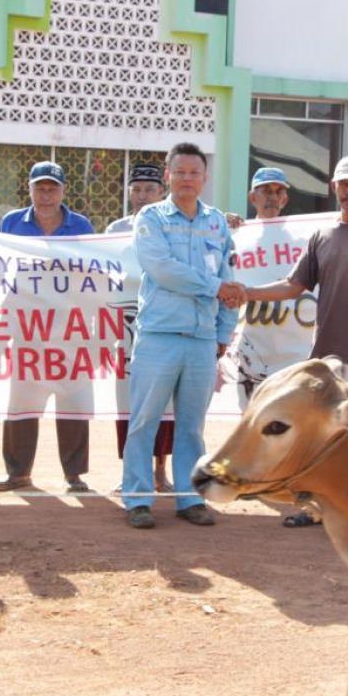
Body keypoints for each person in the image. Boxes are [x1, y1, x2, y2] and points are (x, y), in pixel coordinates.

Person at [241, 155, 348, 526]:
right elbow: (293, 286)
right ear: (333, 187)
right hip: (326, 357)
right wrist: (247, 291)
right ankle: (317, 509)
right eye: (343, 184)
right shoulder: (321, 237)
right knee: (321, 435)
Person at [121, 142, 241, 529]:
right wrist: (214, 287)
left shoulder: (217, 223)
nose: (187, 179)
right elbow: (162, 269)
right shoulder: (151, 219)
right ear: (168, 175)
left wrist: (223, 331)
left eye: (195, 172)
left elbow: (230, 278)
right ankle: (137, 499)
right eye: (180, 172)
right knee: (144, 421)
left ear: (205, 178)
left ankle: (190, 498)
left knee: (192, 426)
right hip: (159, 335)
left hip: (202, 339)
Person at [0, 161, 95, 493]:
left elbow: (94, 274)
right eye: (40, 188)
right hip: (26, 325)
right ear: (30, 189)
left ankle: (74, 475)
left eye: (53, 188)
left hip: (69, 327)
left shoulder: (80, 225)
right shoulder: (12, 222)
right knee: (22, 400)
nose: (46, 195)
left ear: (64, 191)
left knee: (73, 400)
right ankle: (18, 473)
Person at [106, 163, 175, 492]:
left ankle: (161, 471)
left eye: (149, 189)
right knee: (129, 401)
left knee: (164, 400)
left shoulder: (175, 226)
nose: (142, 195)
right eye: (136, 189)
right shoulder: (114, 231)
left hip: (163, 323)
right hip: (125, 327)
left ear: (162, 192)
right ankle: (133, 473)